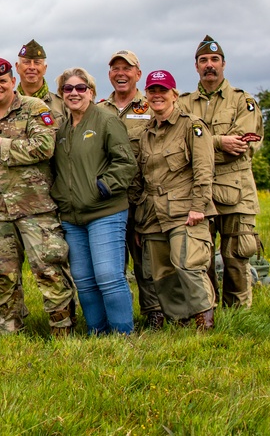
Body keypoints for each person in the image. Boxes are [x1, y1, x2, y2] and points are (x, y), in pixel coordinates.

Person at [0, 58, 75, 336]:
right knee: (4, 276)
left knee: (49, 269)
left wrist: (0, 143)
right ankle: (9, 331)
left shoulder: (35, 109)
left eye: (3, 80)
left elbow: (45, 147)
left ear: (13, 82)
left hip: (35, 208)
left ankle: (62, 327)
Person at [50, 68, 136, 335]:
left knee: (109, 276)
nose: (74, 93)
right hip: (73, 217)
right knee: (85, 281)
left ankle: (122, 334)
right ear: (61, 94)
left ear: (91, 91)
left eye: (80, 87)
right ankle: (97, 333)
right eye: (68, 88)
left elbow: (126, 163)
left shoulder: (106, 121)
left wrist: (102, 187)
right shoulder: (62, 128)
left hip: (104, 211)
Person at [180, 36, 263, 309]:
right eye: (203, 61)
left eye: (214, 60)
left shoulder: (243, 101)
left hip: (237, 190)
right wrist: (217, 142)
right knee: (200, 255)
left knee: (236, 256)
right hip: (198, 191)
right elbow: (178, 144)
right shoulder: (183, 104)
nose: (209, 65)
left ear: (224, 64)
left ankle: (240, 313)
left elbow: (241, 146)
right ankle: (208, 312)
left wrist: (202, 145)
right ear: (196, 67)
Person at [132, 70, 216, 330]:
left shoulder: (192, 126)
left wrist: (198, 207)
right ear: (146, 96)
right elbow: (141, 178)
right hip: (153, 213)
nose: (158, 96)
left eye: (163, 91)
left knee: (188, 264)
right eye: (153, 91)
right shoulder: (146, 133)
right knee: (162, 273)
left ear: (174, 95)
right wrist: (138, 219)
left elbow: (204, 169)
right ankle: (181, 323)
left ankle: (205, 320)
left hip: (184, 209)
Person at [98, 50, 167, 329]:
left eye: (127, 68)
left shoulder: (151, 106)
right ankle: (114, 315)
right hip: (109, 198)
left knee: (146, 260)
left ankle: (154, 313)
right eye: (115, 68)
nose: (121, 73)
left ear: (138, 74)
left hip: (144, 196)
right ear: (109, 75)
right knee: (111, 262)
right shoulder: (99, 109)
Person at [15, 39, 65, 120]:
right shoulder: (7, 104)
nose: (32, 67)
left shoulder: (61, 105)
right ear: (17, 67)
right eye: (26, 62)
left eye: (37, 63)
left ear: (45, 68)